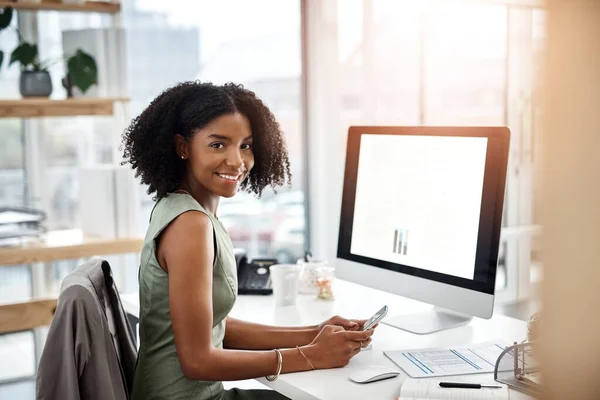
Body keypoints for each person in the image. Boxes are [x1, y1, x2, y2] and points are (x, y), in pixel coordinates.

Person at [121, 81, 376, 400]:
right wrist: (312, 356)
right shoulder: (191, 225)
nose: (236, 161)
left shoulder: (182, 207)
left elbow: (219, 328)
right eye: (218, 145)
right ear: (183, 147)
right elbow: (197, 361)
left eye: (246, 145)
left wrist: (314, 334)